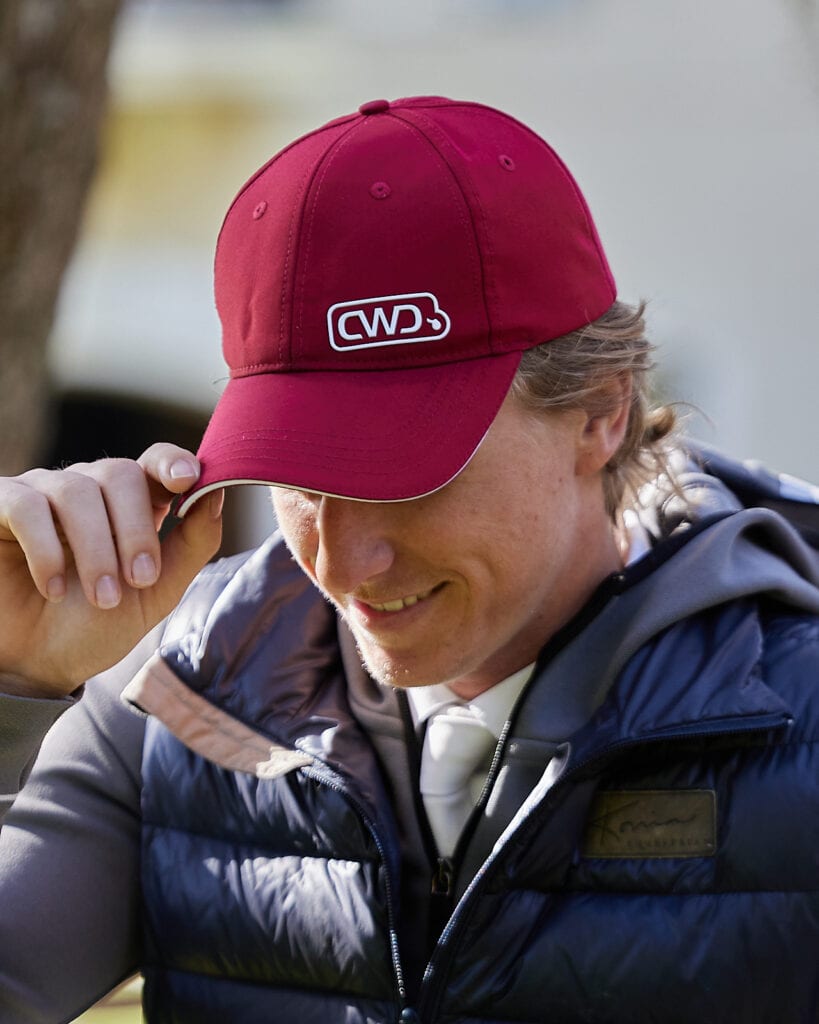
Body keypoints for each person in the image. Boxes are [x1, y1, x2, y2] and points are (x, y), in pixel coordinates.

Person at [1, 95, 818, 1024]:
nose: (346, 561)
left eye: (408, 476)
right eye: (301, 478)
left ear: (600, 410)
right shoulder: (174, 694)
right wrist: (9, 670)